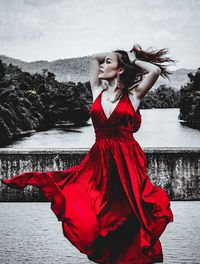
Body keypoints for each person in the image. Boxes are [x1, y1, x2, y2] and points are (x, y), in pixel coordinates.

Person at [1, 44, 175, 264]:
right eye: (104, 63)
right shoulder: (97, 91)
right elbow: (94, 57)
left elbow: (154, 71)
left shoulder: (133, 95)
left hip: (127, 161)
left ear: (120, 70)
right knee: (94, 209)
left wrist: (129, 60)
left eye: (108, 62)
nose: (102, 65)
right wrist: (115, 57)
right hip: (99, 160)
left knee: (131, 213)